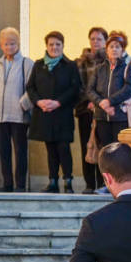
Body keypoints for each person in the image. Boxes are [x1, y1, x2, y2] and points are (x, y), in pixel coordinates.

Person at [26, 31, 82, 193]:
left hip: (62, 113)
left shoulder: (70, 65)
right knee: (50, 148)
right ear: (46, 46)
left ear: (63, 46)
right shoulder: (38, 65)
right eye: (51, 44)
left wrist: (58, 102)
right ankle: (52, 182)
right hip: (44, 114)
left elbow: (75, 88)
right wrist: (39, 101)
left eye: (58, 44)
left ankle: (68, 181)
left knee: (63, 147)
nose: (54, 47)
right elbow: (30, 87)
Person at [0, 27, 33, 192]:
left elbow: (32, 88)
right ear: (1, 45)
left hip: (19, 114)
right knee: (3, 151)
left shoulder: (27, 63)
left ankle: (20, 185)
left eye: (12, 44)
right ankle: (7, 183)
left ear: (18, 44)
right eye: (6, 44)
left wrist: (23, 104)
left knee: (20, 151)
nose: (9, 47)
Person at [87, 31, 131, 149]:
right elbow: (90, 90)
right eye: (111, 46)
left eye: (118, 47)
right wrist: (101, 103)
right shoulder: (99, 69)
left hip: (120, 117)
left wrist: (110, 101)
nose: (114, 49)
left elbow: (129, 89)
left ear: (122, 50)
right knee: (104, 151)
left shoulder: (128, 67)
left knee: (120, 151)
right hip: (101, 117)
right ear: (106, 49)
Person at [75, 27, 108, 192]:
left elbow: (108, 86)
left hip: (103, 111)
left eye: (99, 39)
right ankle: (89, 184)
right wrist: (87, 102)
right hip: (85, 111)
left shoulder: (109, 61)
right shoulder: (80, 62)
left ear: (105, 42)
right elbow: (77, 86)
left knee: (102, 147)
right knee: (87, 146)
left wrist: (97, 102)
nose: (95, 42)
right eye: (93, 39)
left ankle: (102, 183)